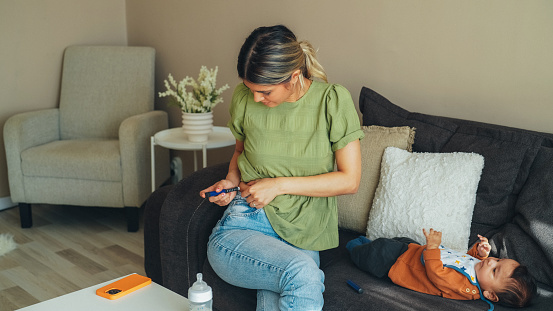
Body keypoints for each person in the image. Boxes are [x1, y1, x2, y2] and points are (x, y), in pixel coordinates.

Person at [200, 25, 364, 311]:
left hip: (303, 237)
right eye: (251, 90)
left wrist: (278, 185)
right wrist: (229, 181)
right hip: (244, 223)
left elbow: (350, 180)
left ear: (294, 77)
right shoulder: (243, 98)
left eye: (264, 91)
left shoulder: (332, 101)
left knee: (296, 278)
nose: (255, 99)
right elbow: (240, 152)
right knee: (302, 275)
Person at [347, 229, 537, 310]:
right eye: (498, 260)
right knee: (395, 241)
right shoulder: (480, 270)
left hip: (399, 266)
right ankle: (367, 244)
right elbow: (464, 261)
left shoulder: (465, 287)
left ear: (490, 295)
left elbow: (437, 273)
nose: (491, 262)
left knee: (373, 253)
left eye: (495, 271)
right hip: (412, 252)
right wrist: (478, 253)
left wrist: (432, 247)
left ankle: (353, 247)